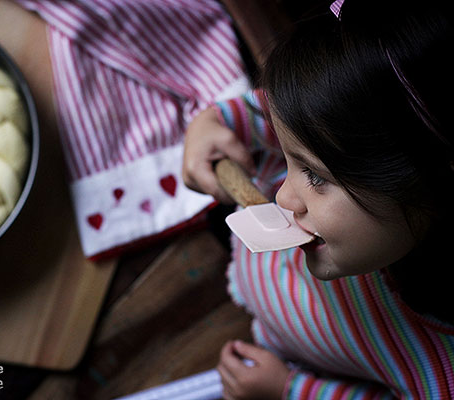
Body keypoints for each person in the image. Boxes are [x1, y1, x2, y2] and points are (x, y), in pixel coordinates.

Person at [182, 0, 454, 398]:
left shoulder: (442, 367)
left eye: (313, 175)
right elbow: (270, 111)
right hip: (261, 287)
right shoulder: (340, 120)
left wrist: (290, 389)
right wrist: (213, 123)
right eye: (288, 159)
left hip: (291, 359)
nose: (282, 195)